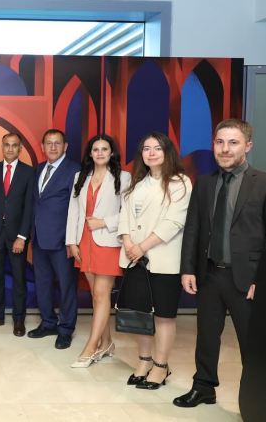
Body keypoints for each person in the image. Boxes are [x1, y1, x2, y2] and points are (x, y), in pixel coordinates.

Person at [174, 119, 266, 408]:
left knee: (251, 343)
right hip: (209, 275)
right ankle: (204, 387)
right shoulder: (204, 183)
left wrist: (262, 280)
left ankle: (257, 401)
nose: (225, 149)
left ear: (248, 146)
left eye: (233, 142)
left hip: (247, 281)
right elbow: (193, 229)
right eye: (220, 142)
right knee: (206, 337)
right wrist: (188, 268)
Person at [117, 132, 191, 390]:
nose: (151, 153)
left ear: (167, 152)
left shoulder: (180, 182)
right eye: (146, 148)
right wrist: (129, 244)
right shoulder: (136, 183)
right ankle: (144, 362)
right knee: (140, 315)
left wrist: (142, 247)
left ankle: (160, 366)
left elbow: (174, 222)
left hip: (162, 260)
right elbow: (124, 217)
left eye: (157, 148)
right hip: (134, 260)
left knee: (163, 316)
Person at [66, 135, 131, 367]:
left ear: (111, 152)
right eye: (96, 149)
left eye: (105, 149)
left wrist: (104, 222)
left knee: (102, 295)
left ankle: (90, 349)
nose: (100, 153)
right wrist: (72, 242)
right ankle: (107, 343)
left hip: (108, 242)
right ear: (90, 153)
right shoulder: (80, 176)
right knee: (96, 295)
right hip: (84, 241)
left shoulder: (123, 177)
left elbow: (129, 212)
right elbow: (73, 210)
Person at [28, 129, 80, 349]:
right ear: (42, 147)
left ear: (65, 146)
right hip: (39, 238)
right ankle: (48, 322)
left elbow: (77, 207)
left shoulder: (75, 170)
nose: (53, 147)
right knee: (43, 283)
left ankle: (66, 329)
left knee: (67, 286)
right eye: (49, 143)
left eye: (57, 143)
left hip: (62, 241)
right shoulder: (39, 169)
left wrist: (71, 240)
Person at [0, 132, 34, 337]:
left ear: (20, 148)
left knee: (19, 279)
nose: (10, 148)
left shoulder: (29, 172)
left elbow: (29, 207)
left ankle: (19, 319)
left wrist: (22, 236)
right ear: (1, 147)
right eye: (7, 145)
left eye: (14, 145)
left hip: (16, 235)